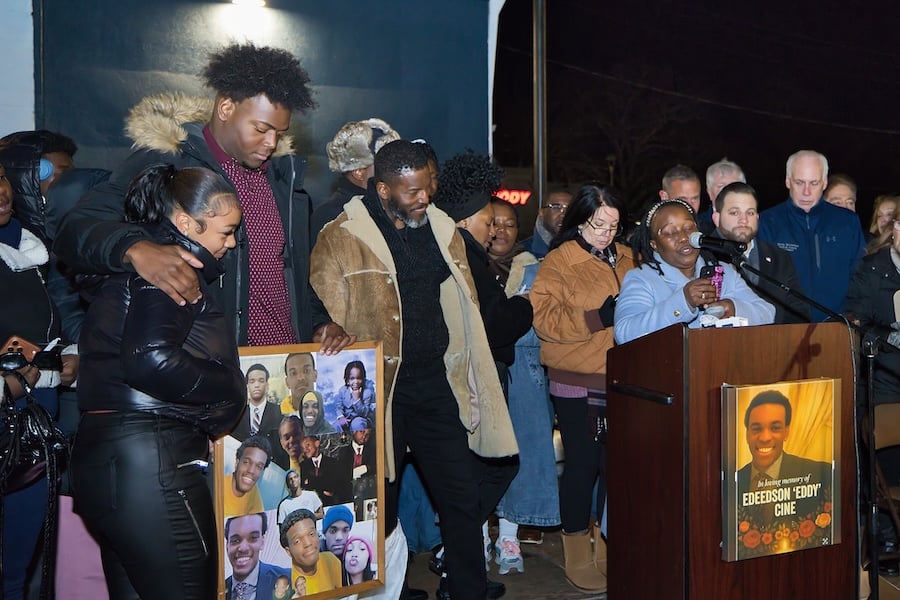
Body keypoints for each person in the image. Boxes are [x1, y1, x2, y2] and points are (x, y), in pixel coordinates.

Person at [310, 139, 518, 599]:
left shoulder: (442, 227)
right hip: (377, 392)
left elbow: (466, 305)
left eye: (428, 187)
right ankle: (388, 590)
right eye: (413, 191)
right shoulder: (341, 235)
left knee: (461, 495)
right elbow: (316, 302)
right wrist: (324, 324)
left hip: (435, 384)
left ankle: (466, 589)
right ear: (383, 189)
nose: (425, 197)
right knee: (377, 500)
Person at [52, 42, 353, 353]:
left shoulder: (282, 180)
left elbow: (283, 273)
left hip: (282, 365)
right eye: (261, 129)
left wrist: (318, 322)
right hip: (205, 368)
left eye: (279, 132)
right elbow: (74, 229)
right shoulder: (168, 163)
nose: (271, 142)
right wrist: (135, 249)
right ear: (226, 109)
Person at [71, 165, 246, 599]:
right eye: (226, 232)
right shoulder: (173, 271)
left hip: (107, 460)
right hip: (152, 464)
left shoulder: (136, 268)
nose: (232, 243)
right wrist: (229, 386)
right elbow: (150, 360)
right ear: (186, 223)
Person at [530, 184, 637, 592]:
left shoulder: (628, 256)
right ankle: (575, 549)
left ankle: (607, 545)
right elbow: (544, 319)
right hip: (576, 379)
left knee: (614, 467)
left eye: (613, 226)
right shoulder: (559, 260)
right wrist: (597, 318)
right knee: (583, 464)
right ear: (579, 221)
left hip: (621, 378)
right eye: (597, 225)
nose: (606, 234)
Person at [0, 160, 76, 599]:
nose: (1, 191)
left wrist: (66, 359)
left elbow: (44, 327)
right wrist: (8, 386)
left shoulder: (28, 245)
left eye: (0, 177)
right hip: (13, 418)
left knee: (16, 571)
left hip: (31, 430)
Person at [487, 197, 561, 563]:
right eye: (494, 222)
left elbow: (542, 328)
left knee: (522, 456)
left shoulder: (537, 269)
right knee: (476, 458)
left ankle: (510, 534)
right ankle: (476, 536)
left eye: (510, 224)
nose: (501, 230)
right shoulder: (464, 266)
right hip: (479, 376)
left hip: (524, 379)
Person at [615, 199, 775, 344]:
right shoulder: (641, 278)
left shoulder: (724, 271)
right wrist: (683, 302)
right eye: (670, 232)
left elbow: (768, 313)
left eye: (689, 227)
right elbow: (624, 333)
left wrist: (734, 308)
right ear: (654, 245)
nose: (683, 237)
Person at [757, 150, 865, 321]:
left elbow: (860, 277)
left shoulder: (847, 222)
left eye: (814, 183)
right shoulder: (767, 222)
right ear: (788, 181)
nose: (806, 192)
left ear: (824, 182)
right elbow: (761, 283)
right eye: (799, 182)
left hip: (838, 326)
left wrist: (850, 318)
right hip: (784, 328)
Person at [712, 182, 809, 323]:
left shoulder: (780, 258)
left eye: (750, 213)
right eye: (734, 213)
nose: (744, 220)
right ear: (716, 218)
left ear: (757, 218)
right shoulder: (704, 257)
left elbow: (799, 313)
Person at [737, 391, 832, 527]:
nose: (765, 438)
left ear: (786, 432)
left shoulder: (822, 474)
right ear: (747, 434)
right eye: (756, 429)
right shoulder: (733, 482)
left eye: (775, 428)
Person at [311, 118, 401, 244]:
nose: (395, 172)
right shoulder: (330, 217)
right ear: (359, 171)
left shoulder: (396, 207)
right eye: (385, 165)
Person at [846, 205, 900, 405]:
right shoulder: (871, 269)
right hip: (886, 381)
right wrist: (889, 337)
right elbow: (856, 322)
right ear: (893, 229)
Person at [232, 363, 290, 469]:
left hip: (272, 469)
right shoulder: (238, 415)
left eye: (261, 381)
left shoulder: (279, 412)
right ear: (247, 386)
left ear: (267, 385)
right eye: (252, 381)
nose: (257, 385)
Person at [224, 512, 290, 600]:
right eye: (236, 540)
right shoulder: (217, 591)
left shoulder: (289, 578)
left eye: (253, 538)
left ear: (262, 542)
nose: (243, 548)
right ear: (227, 546)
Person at [279, 509, 342, 594]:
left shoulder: (331, 561)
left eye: (311, 534)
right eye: (297, 541)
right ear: (289, 551)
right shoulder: (285, 586)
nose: (308, 543)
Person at [225, 435, 273, 517]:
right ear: (237, 463)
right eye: (246, 462)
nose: (251, 471)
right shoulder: (218, 486)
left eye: (259, 467)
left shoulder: (255, 496)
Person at [696, 158, 746, 234]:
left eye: (734, 186)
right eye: (721, 186)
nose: (728, 192)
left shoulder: (758, 224)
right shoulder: (697, 226)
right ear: (709, 192)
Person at [521, 185, 572, 258]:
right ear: (542, 212)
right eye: (556, 208)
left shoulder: (583, 249)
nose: (564, 214)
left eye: (569, 209)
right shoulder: (522, 252)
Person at [300, 435, 351, 505]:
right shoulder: (302, 466)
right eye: (303, 448)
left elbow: (341, 486)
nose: (305, 450)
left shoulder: (333, 463)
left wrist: (311, 482)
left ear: (317, 443)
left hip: (331, 504)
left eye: (308, 445)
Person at [336, 360, 377, 430]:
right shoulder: (342, 390)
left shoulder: (367, 392)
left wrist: (357, 399)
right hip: (346, 418)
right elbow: (339, 407)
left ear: (363, 379)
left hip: (361, 418)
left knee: (357, 424)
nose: (356, 382)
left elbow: (364, 414)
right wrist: (341, 417)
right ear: (347, 380)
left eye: (359, 378)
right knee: (337, 425)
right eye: (352, 378)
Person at [280, 352, 319, 416]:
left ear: (315, 375)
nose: (300, 378)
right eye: (293, 373)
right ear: (287, 382)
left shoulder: (330, 412)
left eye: (306, 370)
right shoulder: (276, 416)